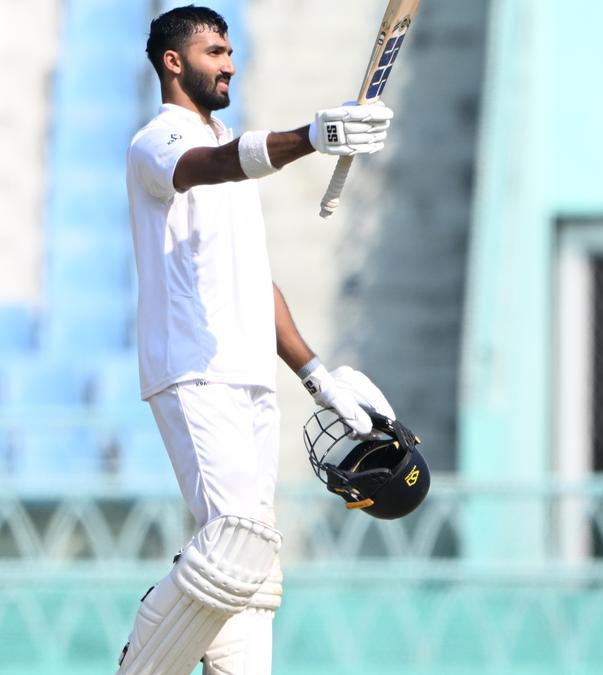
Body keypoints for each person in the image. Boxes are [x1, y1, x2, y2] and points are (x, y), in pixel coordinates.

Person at [117, 6, 401, 674]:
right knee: (235, 541)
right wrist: (312, 136)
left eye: (231, 50)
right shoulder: (157, 143)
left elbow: (256, 285)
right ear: (173, 61)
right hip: (194, 369)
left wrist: (317, 375)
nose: (230, 63)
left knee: (254, 567)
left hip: (248, 376)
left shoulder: (231, 162)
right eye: (215, 51)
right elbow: (210, 164)